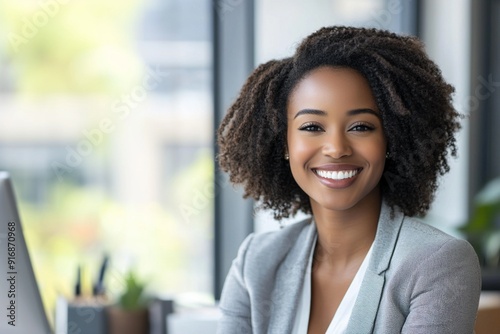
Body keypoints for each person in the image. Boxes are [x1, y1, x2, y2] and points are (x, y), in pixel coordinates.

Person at [216, 26, 481, 334]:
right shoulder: (257, 261)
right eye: (313, 127)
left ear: (390, 139)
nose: (337, 149)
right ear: (283, 143)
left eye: (360, 127)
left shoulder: (438, 263)